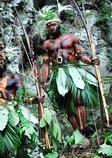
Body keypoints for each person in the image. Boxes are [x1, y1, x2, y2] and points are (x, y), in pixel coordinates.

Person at [41, 17, 99, 146]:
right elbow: (46, 64)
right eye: (48, 25)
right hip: (59, 75)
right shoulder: (46, 44)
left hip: (74, 71)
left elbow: (80, 55)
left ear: (59, 24)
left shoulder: (72, 38)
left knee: (79, 101)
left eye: (53, 24)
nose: (51, 27)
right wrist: (44, 81)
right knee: (68, 107)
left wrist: (91, 60)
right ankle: (79, 135)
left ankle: (83, 133)